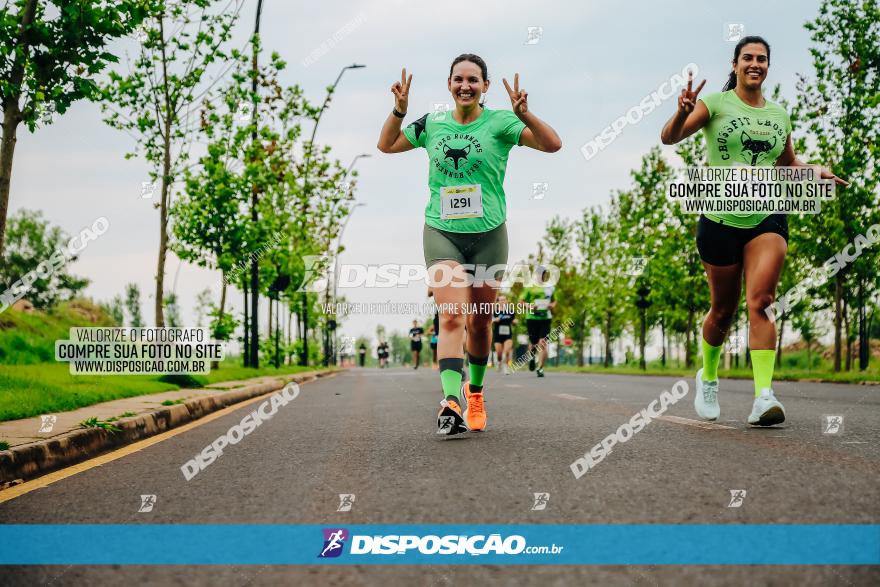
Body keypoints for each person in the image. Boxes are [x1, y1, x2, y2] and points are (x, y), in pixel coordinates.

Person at [660, 36, 847, 426]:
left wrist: (816, 172)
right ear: (735, 64)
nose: (755, 64)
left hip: (767, 214)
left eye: (762, 58)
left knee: (762, 300)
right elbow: (670, 137)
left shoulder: (779, 115)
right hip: (720, 217)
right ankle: (708, 376)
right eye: (748, 57)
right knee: (722, 311)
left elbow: (787, 165)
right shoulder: (715, 105)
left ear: (767, 66)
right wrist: (681, 112)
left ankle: (764, 396)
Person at [377, 54, 561, 434]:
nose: (466, 86)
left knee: (479, 322)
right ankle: (450, 401)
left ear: (485, 87)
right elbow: (387, 145)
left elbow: (552, 145)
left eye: (473, 80)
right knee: (452, 316)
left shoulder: (501, 122)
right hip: (441, 232)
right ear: (448, 84)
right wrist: (398, 111)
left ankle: (474, 392)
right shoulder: (432, 124)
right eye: (459, 79)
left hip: (489, 236)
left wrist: (525, 114)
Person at [522, 266, 555, 377]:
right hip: (532, 318)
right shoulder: (530, 287)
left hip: (546, 318)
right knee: (533, 343)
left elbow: (554, 301)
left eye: (543, 274)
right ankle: (531, 358)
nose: (541, 276)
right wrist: (530, 306)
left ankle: (540, 368)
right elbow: (521, 302)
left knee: (543, 343)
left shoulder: (550, 287)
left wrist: (551, 305)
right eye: (539, 274)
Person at [492, 294, 516, 375]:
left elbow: (513, 321)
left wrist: (515, 322)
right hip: (497, 334)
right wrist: (495, 320)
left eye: (504, 300)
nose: (502, 301)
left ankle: (506, 367)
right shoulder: (494, 311)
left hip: (507, 334)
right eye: (500, 300)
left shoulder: (511, 311)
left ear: (507, 301)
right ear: (498, 302)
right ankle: (499, 362)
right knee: (499, 354)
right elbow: (489, 321)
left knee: (506, 352)